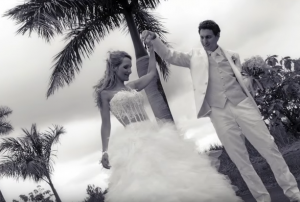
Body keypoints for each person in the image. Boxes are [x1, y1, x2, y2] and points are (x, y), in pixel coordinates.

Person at [141, 20, 300, 202]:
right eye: (202, 37)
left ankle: (293, 193)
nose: (205, 41)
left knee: (270, 148)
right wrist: (154, 39)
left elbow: (242, 81)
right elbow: (170, 56)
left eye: (208, 37)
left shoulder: (233, 56)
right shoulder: (194, 56)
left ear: (217, 36)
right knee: (240, 160)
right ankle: (263, 199)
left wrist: (254, 79)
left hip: (243, 105)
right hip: (218, 112)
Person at [95, 45, 243, 202]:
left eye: (130, 67)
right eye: (125, 67)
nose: (130, 71)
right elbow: (105, 125)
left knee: (177, 172)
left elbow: (151, 74)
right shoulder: (105, 94)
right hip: (133, 143)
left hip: (153, 134)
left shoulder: (132, 86)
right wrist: (105, 152)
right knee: (144, 180)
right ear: (114, 68)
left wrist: (151, 51)